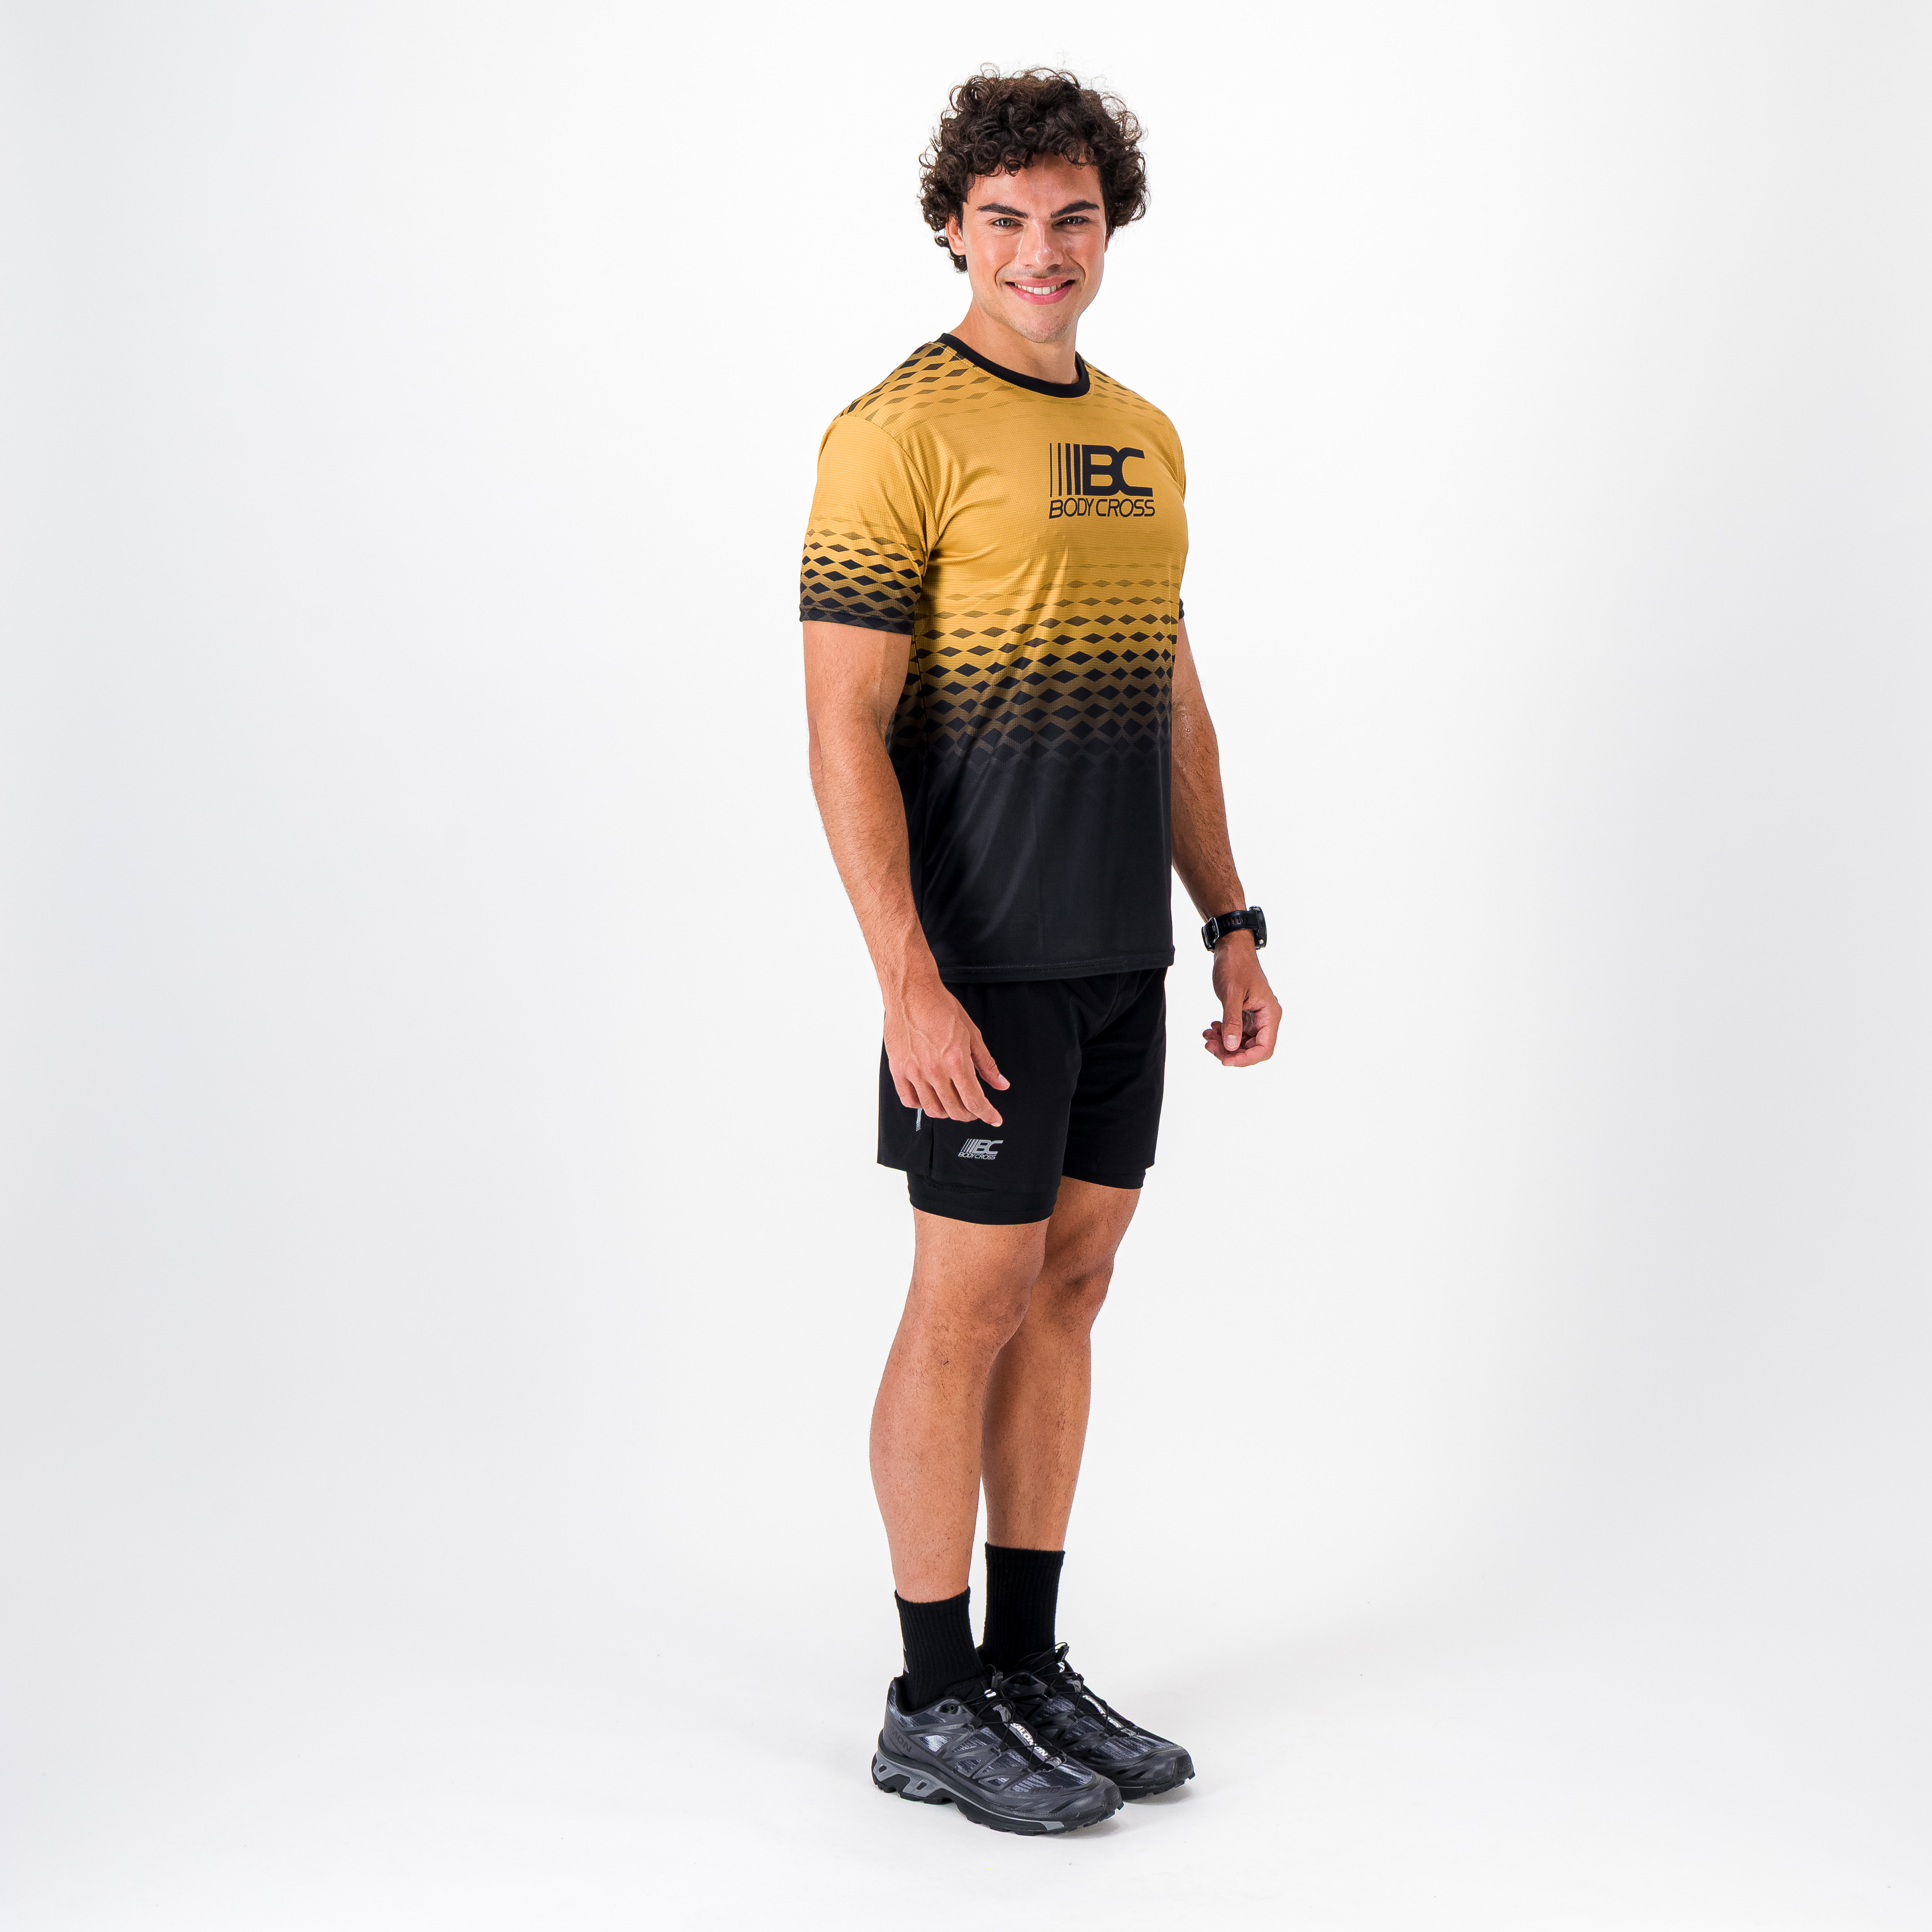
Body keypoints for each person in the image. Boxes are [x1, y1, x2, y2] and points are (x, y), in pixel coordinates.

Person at [800, 68, 1279, 1838]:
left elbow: (1172, 696)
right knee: (967, 1303)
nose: (1039, 251)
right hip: (982, 959)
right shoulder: (893, 431)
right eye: (1003, 219)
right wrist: (906, 980)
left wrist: (1228, 919)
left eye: (1071, 217)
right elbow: (841, 725)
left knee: (1070, 1291)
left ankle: (1023, 1662)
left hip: (1119, 953)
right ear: (953, 228)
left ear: (1109, 226)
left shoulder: (1146, 433)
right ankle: (930, 1699)